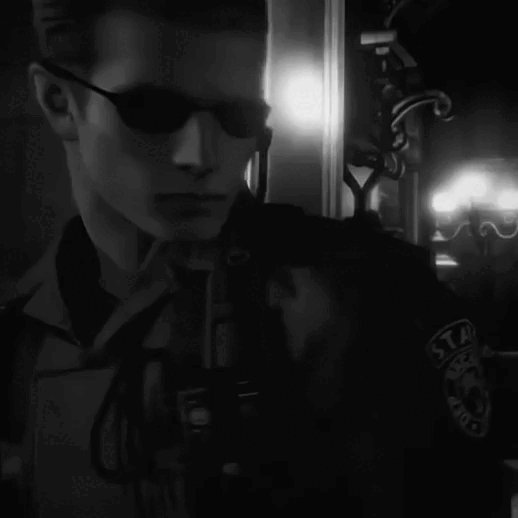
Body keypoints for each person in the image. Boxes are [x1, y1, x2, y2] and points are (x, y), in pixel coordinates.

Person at [0, 1, 513, 517]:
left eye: (237, 117)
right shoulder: (24, 329)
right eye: (152, 110)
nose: (201, 156)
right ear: (59, 101)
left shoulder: (357, 297)